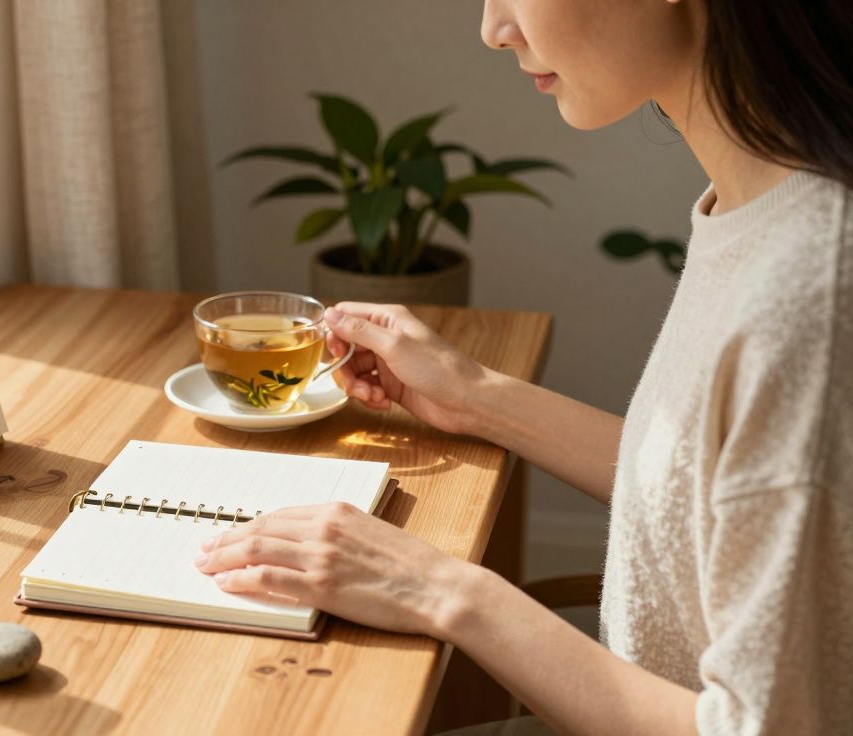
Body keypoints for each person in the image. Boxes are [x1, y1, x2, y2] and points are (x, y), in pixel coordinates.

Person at [194, 1, 853, 733]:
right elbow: (704, 490)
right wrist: (474, 397)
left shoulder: (810, 290)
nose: (493, 27)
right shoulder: (761, 204)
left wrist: (440, 589)